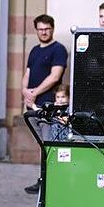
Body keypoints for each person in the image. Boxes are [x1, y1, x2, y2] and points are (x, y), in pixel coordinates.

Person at [22, 14, 68, 194]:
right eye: (40, 29)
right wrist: (25, 91)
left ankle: (51, 180)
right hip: (32, 107)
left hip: (48, 106)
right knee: (42, 145)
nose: (43, 32)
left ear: (52, 29)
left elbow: (55, 77)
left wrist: (34, 92)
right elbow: (27, 74)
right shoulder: (34, 50)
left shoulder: (58, 49)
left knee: (50, 145)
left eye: (46, 29)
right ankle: (43, 178)